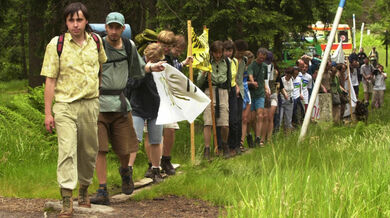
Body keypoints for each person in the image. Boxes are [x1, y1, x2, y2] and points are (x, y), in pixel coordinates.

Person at [41, 2, 107, 217]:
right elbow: (50, 80)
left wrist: (96, 92)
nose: (75, 24)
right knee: (67, 150)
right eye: (71, 20)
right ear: (66, 22)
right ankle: (67, 199)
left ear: (86, 20)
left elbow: (100, 68)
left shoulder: (96, 41)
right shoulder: (56, 44)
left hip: (90, 104)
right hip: (65, 105)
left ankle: (85, 188)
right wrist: (48, 112)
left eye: (79, 20)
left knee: (89, 150)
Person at [90, 12, 145, 206]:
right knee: (100, 149)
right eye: (110, 27)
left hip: (120, 104)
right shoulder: (96, 45)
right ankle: (102, 189)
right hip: (98, 104)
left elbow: (139, 69)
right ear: (106, 27)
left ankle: (125, 172)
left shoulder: (129, 47)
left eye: (117, 27)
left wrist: (152, 66)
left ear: (123, 29)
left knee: (125, 148)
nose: (113, 31)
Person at [130, 43, 165, 183]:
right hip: (137, 106)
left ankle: (156, 169)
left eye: (155, 60)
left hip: (156, 107)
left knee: (156, 140)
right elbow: (131, 84)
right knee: (134, 140)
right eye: (150, 58)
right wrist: (146, 71)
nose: (153, 62)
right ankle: (128, 170)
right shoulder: (137, 65)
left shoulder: (163, 68)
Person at [143, 30, 175, 178]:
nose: (166, 48)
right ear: (158, 42)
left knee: (170, 129)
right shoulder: (150, 54)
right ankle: (152, 164)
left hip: (166, 98)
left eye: (169, 45)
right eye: (164, 44)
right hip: (150, 99)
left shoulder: (170, 58)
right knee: (151, 133)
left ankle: (166, 160)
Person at [161, 34, 192, 175]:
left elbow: (175, 70)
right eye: (177, 50)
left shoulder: (173, 59)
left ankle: (166, 159)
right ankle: (156, 162)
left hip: (170, 98)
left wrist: (183, 63)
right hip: (160, 97)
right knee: (158, 132)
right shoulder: (162, 56)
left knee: (171, 129)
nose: (178, 53)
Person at [197, 40, 230, 159]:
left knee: (224, 123)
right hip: (209, 91)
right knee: (208, 122)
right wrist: (204, 74)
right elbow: (198, 82)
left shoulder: (227, 61)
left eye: (220, 52)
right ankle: (207, 149)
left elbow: (229, 78)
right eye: (216, 52)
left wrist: (228, 92)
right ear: (212, 52)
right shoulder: (206, 62)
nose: (218, 55)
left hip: (223, 91)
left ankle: (224, 145)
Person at [247, 48, 269, 146]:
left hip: (260, 94)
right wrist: (252, 82)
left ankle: (258, 137)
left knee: (260, 115)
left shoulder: (265, 66)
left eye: (263, 58)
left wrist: (266, 88)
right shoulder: (251, 65)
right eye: (260, 58)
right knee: (251, 118)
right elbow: (251, 74)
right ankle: (252, 135)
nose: (261, 60)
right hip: (251, 94)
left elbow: (263, 80)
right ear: (257, 56)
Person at [264, 51, 279, 142]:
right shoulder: (261, 67)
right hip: (264, 94)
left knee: (270, 116)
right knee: (265, 117)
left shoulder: (274, 70)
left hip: (273, 94)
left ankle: (269, 138)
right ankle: (263, 137)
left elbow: (272, 81)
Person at [242, 50, 254, 148]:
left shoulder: (249, 68)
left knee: (246, 118)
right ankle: (241, 140)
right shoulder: (239, 66)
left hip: (246, 93)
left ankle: (246, 137)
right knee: (241, 118)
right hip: (240, 91)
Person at [279, 67, 294, 133]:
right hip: (282, 100)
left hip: (290, 101)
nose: (289, 76)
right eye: (288, 74)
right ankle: (278, 132)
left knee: (288, 119)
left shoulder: (292, 80)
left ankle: (287, 133)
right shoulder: (282, 80)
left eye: (290, 74)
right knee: (280, 117)